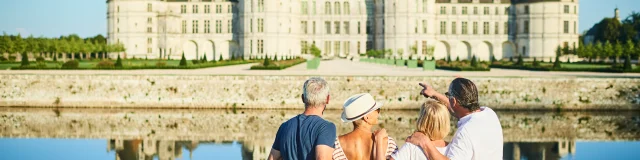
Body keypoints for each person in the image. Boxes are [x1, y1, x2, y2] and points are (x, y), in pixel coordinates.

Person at [406, 78, 503, 160]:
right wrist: (434, 94)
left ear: (454, 101)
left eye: (448, 95)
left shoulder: (465, 133)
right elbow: (457, 109)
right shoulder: (489, 113)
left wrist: (425, 142)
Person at [268, 77, 336, 160]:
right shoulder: (326, 128)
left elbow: (271, 158)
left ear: (303, 98)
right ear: (328, 99)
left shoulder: (284, 127)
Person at [333, 93, 398, 160]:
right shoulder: (388, 143)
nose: (378, 112)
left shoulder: (336, 144)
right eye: (377, 110)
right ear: (367, 117)